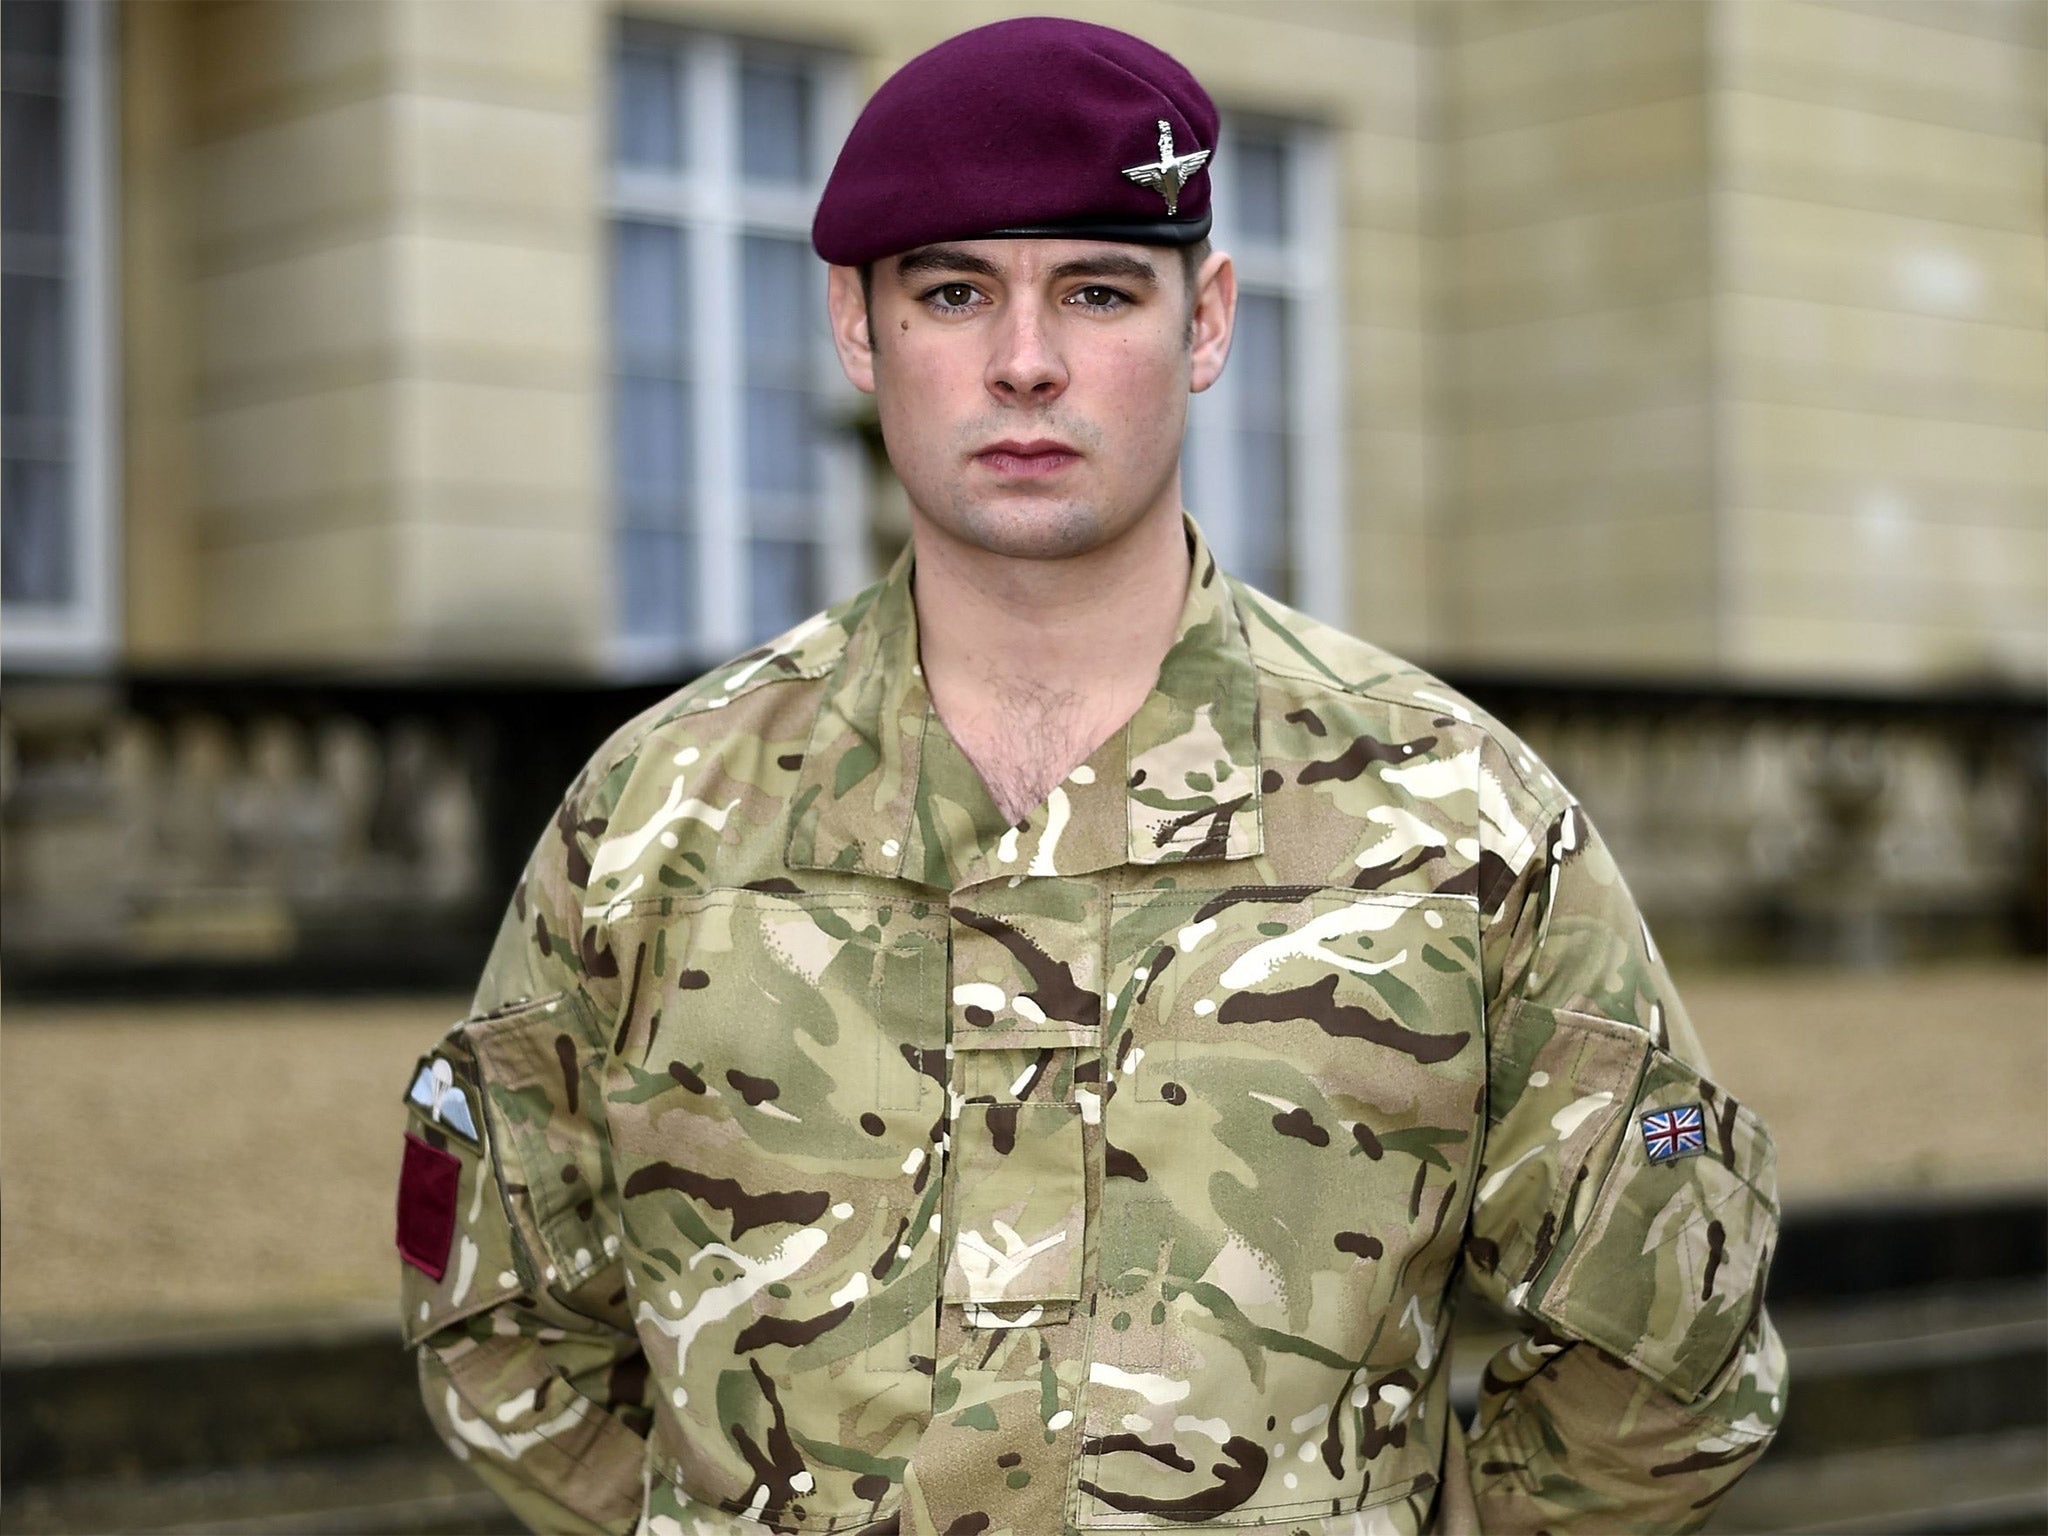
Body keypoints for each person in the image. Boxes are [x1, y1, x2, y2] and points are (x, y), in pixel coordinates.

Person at [396, 18, 1785, 1535]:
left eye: (1100, 290)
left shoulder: (1464, 824)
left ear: (1207, 322)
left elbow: (1670, 1348)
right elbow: (500, 1318)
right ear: (858, 330)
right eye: (951, 292)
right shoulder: (650, 823)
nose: (1026, 362)